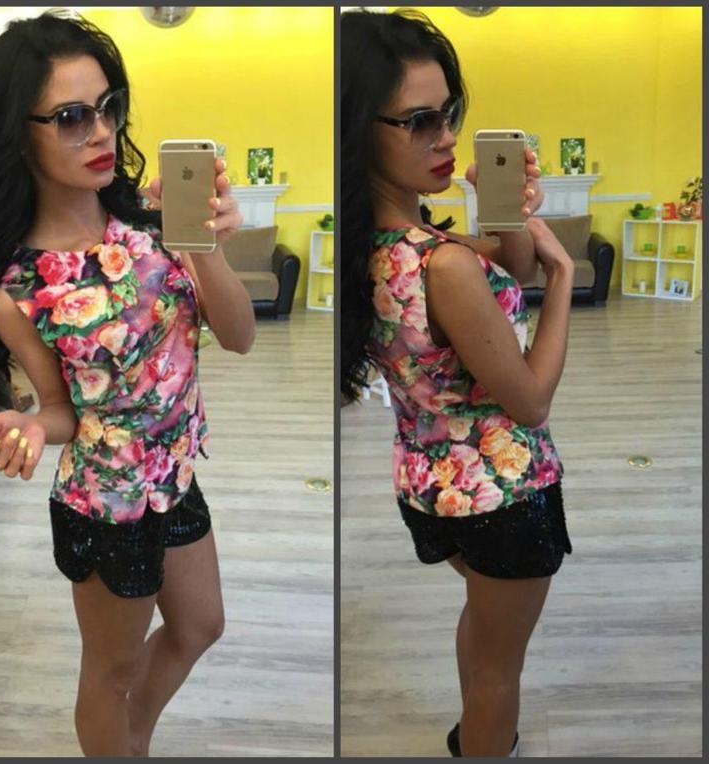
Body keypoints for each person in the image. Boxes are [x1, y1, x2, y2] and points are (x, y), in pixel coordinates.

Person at [0, 11, 255, 757]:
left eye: (108, 106)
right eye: (70, 117)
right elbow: (63, 410)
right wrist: (33, 424)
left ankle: (133, 741)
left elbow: (240, 335)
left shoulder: (153, 222)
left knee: (201, 625)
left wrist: (206, 248)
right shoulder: (18, 287)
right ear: (17, 134)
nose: (100, 132)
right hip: (106, 501)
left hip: (175, 474)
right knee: (110, 671)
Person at [340, 9, 573, 758]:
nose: (444, 138)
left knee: (483, 626)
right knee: (500, 673)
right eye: (418, 122)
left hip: (430, 487)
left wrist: (503, 212)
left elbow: (506, 260)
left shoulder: (381, 248)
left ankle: (473, 734)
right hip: (503, 495)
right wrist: (563, 279)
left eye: (448, 116)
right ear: (360, 130)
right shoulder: (442, 266)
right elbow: (531, 400)